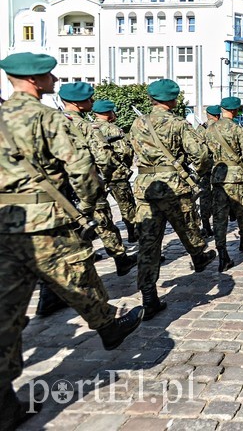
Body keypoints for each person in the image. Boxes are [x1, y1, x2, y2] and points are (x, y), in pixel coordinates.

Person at [0, 53, 143, 426]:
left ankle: (4, 402)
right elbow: (80, 168)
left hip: (4, 223)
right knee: (80, 275)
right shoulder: (47, 118)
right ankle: (109, 326)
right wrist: (90, 204)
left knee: (7, 311)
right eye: (49, 75)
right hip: (46, 219)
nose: (53, 79)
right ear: (36, 81)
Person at [129, 79, 217, 320]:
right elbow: (199, 154)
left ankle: (149, 296)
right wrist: (200, 171)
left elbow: (132, 151)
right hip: (174, 186)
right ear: (173, 99)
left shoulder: (137, 123)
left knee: (149, 242)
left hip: (145, 188)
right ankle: (199, 257)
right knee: (188, 226)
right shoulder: (178, 123)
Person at [59, 83, 137, 276]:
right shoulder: (85, 126)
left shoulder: (51, 122)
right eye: (89, 99)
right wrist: (111, 175)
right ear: (78, 103)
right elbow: (104, 158)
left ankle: (82, 258)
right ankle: (121, 258)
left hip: (59, 187)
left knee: (70, 226)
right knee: (102, 221)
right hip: (85, 182)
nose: (92, 102)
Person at [206, 96, 243, 271]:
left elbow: (202, 154)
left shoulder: (209, 129)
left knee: (219, 217)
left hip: (218, 176)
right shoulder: (237, 128)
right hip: (236, 176)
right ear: (235, 111)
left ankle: (222, 254)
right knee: (242, 211)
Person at [92, 99, 138, 244]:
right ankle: (133, 234)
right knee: (127, 206)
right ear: (108, 113)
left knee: (99, 209)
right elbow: (125, 151)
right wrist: (125, 165)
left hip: (96, 175)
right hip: (116, 175)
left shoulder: (88, 127)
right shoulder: (112, 129)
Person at [196, 105, 221, 237]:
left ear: (208, 114)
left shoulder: (201, 129)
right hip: (221, 167)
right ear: (218, 116)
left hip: (205, 167)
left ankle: (206, 225)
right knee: (220, 195)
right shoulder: (221, 127)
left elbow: (196, 150)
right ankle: (219, 224)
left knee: (205, 196)